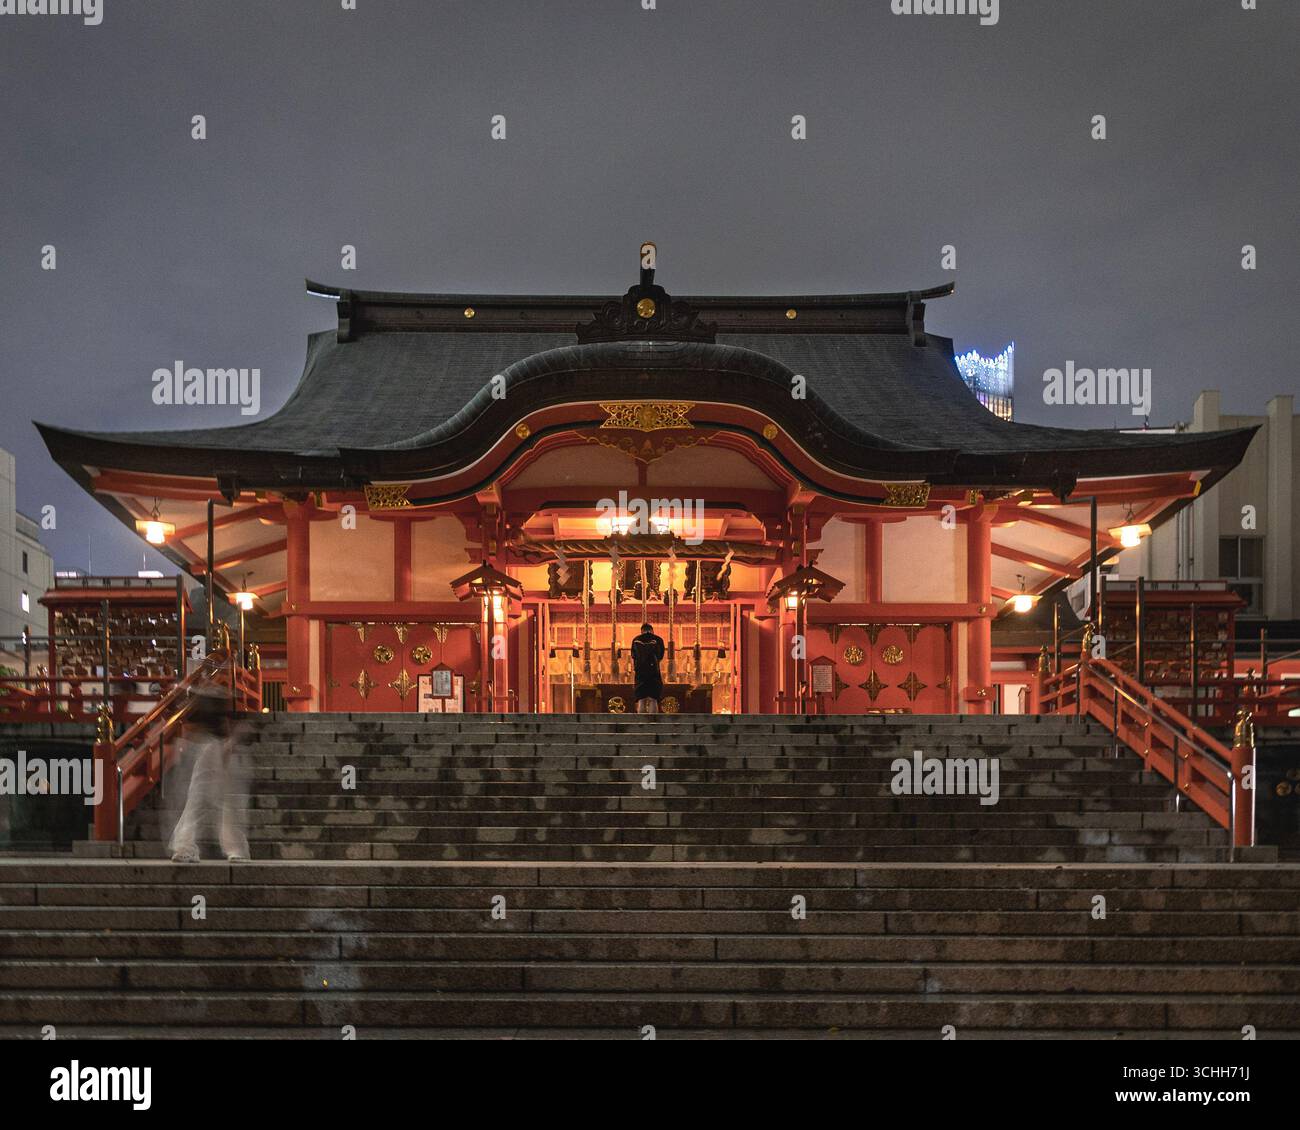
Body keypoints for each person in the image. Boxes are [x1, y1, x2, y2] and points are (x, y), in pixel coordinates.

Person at [168, 685, 250, 862]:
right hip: (213, 750)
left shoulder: (211, 714)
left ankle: (188, 845)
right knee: (211, 802)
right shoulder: (217, 715)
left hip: (215, 749)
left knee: (214, 803)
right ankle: (189, 846)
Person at [631, 622, 666, 714]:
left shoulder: (636, 639)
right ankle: (653, 723)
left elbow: (633, 656)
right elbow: (661, 656)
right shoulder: (658, 639)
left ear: (642, 630)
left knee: (641, 699)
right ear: (652, 630)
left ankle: (641, 724)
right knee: (653, 699)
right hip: (654, 672)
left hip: (640, 673)